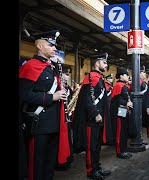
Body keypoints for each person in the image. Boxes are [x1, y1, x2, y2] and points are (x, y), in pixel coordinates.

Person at [19, 30, 70, 180]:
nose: (55, 48)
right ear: (40, 46)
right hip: (39, 125)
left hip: (54, 124)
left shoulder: (51, 67)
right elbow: (24, 95)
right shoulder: (30, 66)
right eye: (51, 45)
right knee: (37, 163)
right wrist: (51, 97)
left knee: (49, 163)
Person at [72, 52, 111, 179]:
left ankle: (97, 167)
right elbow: (87, 100)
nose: (106, 64)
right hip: (92, 119)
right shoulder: (92, 78)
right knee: (91, 147)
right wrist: (95, 113)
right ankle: (91, 170)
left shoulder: (98, 78)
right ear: (97, 63)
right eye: (104, 62)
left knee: (97, 146)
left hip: (99, 119)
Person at [110, 67, 133, 159]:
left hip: (124, 111)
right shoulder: (118, 86)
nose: (128, 76)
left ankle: (124, 150)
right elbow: (115, 100)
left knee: (124, 132)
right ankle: (120, 151)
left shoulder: (123, 86)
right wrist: (126, 103)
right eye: (126, 75)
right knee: (120, 132)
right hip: (119, 112)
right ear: (121, 76)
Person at [55, 68, 74, 170]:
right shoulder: (58, 86)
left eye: (69, 74)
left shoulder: (68, 87)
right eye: (66, 74)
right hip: (60, 116)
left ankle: (67, 158)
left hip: (68, 115)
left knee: (68, 138)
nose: (68, 76)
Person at [104, 73, 115, 146]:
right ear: (106, 79)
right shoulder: (106, 86)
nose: (111, 79)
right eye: (110, 78)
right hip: (107, 107)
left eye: (111, 78)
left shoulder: (110, 87)